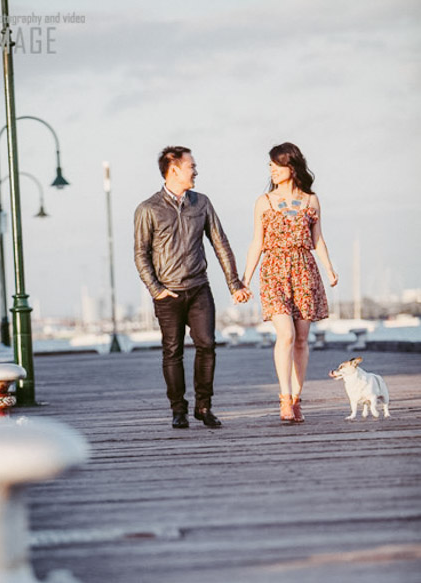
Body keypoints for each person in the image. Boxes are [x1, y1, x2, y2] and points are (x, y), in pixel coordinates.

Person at [134, 146, 250, 429]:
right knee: (172, 351)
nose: (196, 171)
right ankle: (178, 409)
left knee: (207, 345)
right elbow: (140, 253)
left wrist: (234, 283)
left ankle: (204, 406)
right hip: (167, 292)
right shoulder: (148, 209)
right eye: (191, 166)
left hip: (199, 287)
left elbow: (220, 243)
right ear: (174, 170)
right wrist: (156, 289)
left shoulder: (202, 203)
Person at [241, 142, 338, 422]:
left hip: (304, 270)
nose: (271, 170)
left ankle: (297, 399)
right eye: (269, 165)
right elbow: (256, 242)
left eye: (275, 165)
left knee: (302, 339)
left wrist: (329, 268)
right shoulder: (264, 201)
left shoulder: (311, 200)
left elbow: (317, 239)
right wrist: (244, 280)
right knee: (285, 334)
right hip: (273, 270)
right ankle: (284, 399)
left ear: (291, 167)